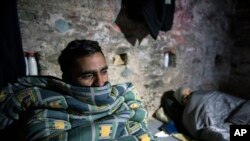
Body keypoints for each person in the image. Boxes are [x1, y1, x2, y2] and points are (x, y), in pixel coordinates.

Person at [0, 39, 155, 141]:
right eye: (88, 75)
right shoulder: (46, 111)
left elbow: (141, 128)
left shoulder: (123, 96)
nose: (100, 83)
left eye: (104, 71)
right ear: (68, 78)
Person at [172, 86, 250, 141]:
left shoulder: (203, 95)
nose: (189, 93)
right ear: (182, 100)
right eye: (186, 93)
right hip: (228, 126)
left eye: (189, 91)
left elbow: (222, 98)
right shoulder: (187, 114)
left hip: (235, 118)